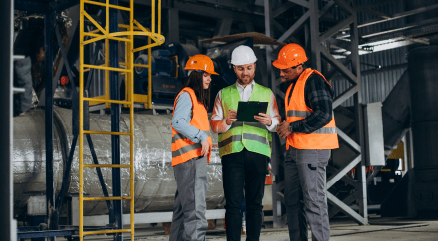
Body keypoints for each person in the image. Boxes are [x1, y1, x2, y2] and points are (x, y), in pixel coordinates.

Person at [210, 45, 281, 241]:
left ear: (255, 67)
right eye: (241, 68)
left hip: (258, 154)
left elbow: (277, 123)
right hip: (232, 154)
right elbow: (214, 124)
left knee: (254, 204)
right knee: (232, 204)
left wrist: (269, 122)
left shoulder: (267, 94)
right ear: (234, 68)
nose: (245, 72)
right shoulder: (223, 95)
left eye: (249, 68)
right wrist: (226, 121)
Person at [274, 43, 339, 241]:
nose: (282, 73)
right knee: (293, 202)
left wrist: (291, 127)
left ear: (299, 66)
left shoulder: (313, 81)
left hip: (312, 150)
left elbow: (324, 114)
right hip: (294, 149)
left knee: (314, 201)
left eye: (285, 69)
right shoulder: (295, 84)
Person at [169, 54, 218, 241]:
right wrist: (201, 137)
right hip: (190, 161)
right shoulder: (187, 95)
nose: (209, 79)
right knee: (196, 212)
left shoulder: (195, 99)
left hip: (189, 161)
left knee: (183, 212)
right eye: (206, 75)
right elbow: (178, 122)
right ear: (196, 74)